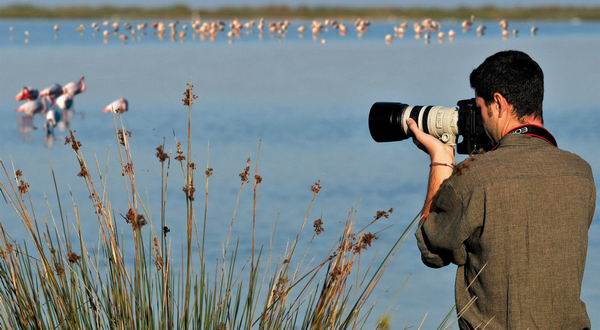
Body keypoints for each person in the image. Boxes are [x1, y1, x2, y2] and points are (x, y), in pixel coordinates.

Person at [409, 50, 596, 329]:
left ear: (498, 103)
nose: (480, 119)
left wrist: (441, 159)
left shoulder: (475, 177)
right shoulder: (581, 173)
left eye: (480, 108)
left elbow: (433, 249)